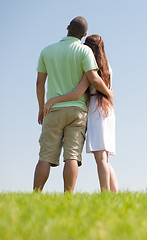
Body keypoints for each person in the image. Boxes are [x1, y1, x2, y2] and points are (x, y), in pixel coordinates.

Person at [34, 17, 113, 193]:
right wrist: (108, 92)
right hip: (77, 110)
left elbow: (39, 82)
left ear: (67, 28)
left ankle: (36, 195)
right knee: (71, 157)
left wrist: (41, 107)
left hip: (52, 110)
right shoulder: (85, 51)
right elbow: (93, 77)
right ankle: (68, 196)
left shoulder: (47, 51)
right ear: (84, 34)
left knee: (45, 157)